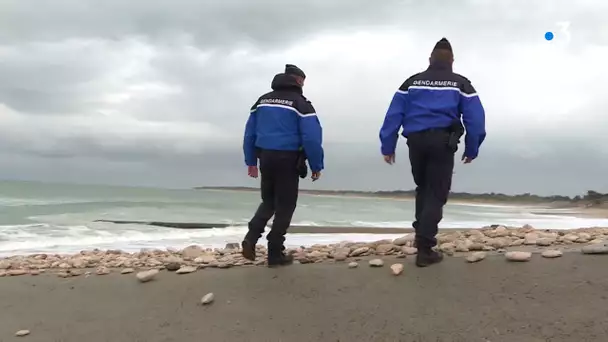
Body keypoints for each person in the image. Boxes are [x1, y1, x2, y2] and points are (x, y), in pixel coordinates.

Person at [378, 38, 486, 267]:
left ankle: (421, 236)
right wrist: (472, 147)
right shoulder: (461, 83)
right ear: (452, 61)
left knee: (424, 188)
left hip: (415, 142)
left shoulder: (411, 82)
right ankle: (425, 248)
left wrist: (388, 145)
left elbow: (393, 114)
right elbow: (475, 119)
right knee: (436, 193)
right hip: (442, 142)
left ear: (430, 59)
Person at [242, 64, 324, 267]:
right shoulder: (300, 103)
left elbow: (249, 133)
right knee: (286, 205)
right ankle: (275, 252)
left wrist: (251, 161)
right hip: (288, 159)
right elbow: (312, 137)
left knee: (268, 201)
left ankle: (251, 238)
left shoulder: (262, 101)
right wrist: (316, 164)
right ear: (297, 80)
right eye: (303, 81)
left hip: (266, 158)